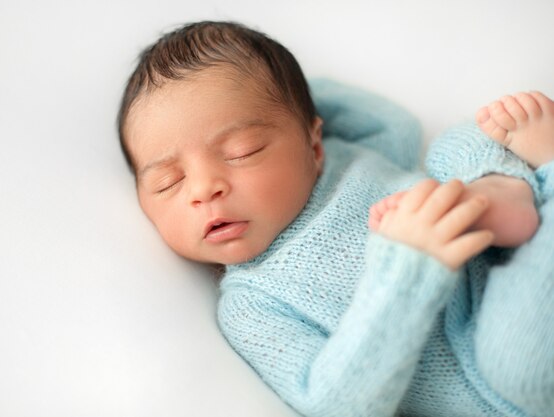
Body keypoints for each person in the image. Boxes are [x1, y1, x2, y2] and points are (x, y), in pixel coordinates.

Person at [117, 21, 554, 417]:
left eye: (242, 151)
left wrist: (281, 91)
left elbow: (394, 124)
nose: (203, 189)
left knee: (454, 145)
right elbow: (336, 404)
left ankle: (502, 188)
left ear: (314, 143)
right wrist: (408, 271)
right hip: (509, 378)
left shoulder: (349, 157)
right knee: (514, 365)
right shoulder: (252, 307)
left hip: (515, 274)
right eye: (168, 182)